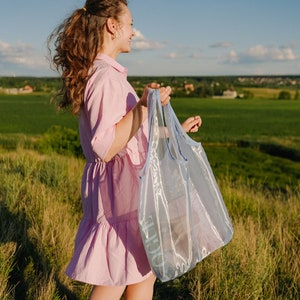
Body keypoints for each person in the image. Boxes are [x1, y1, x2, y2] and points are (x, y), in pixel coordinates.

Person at [48, 0, 201, 299]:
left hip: (126, 193)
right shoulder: (105, 78)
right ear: (112, 25)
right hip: (119, 196)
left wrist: (174, 130)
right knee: (117, 276)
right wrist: (143, 107)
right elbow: (104, 145)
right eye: (130, 23)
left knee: (142, 274)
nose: (133, 31)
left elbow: (129, 134)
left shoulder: (109, 75)